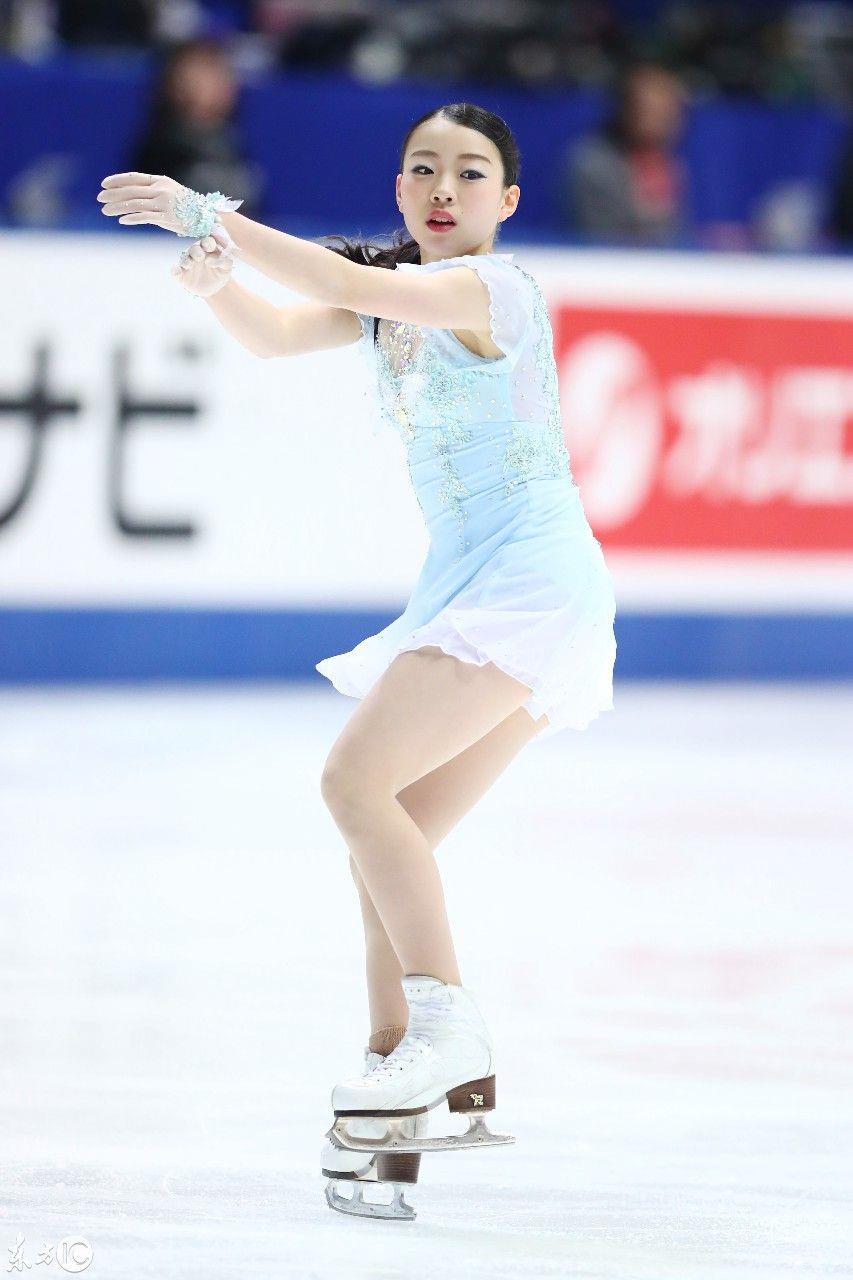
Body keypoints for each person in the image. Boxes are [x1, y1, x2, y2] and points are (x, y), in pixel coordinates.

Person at [96, 100, 617, 1221]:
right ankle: (395, 1076)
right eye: (422, 168)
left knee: (351, 784)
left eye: (468, 173)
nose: (443, 188)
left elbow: (338, 283)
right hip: (487, 588)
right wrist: (218, 284)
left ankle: (447, 1028)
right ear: (397, 188)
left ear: (506, 200)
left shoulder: (494, 289)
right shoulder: (396, 302)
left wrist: (209, 216)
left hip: (530, 583)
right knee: (389, 835)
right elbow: (282, 333)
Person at [561, 60, 687, 246]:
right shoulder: (592, 164)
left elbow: (677, 234)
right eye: (649, 110)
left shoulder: (673, 165)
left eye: (668, 111)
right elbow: (602, 237)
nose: (661, 120)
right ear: (626, 109)